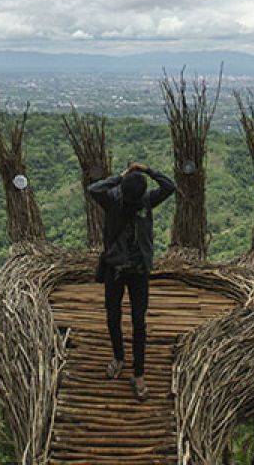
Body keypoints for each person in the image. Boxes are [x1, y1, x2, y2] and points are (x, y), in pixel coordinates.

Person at [86, 160, 175, 401]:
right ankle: (119, 357)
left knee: (138, 321)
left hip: (139, 271)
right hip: (115, 268)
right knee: (113, 316)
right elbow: (93, 189)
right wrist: (122, 176)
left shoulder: (145, 201)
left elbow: (170, 186)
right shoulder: (114, 200)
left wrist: (147, 170)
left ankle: (138, 372)